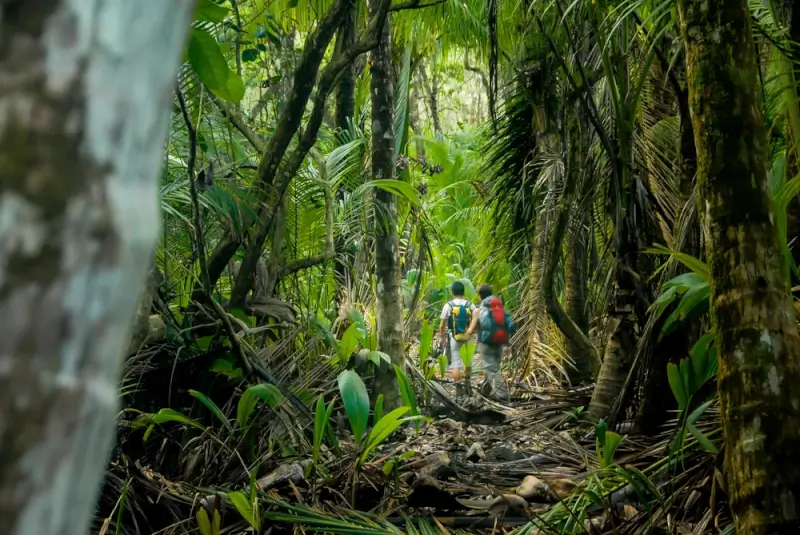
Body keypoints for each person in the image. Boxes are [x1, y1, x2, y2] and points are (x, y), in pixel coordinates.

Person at [466, 284, 516, 402]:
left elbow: (475, 326)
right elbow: (510, 324)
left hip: (486, 342)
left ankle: (503, 396)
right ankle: (484, 392)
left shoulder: (480, 309)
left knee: (492, 369)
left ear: (480, 296)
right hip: (500, 341)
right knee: (493, 367)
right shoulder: (500, 307)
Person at [438, 281, 476, 383]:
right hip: (468, 336)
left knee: (455, 364)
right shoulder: (470, 305)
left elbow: (442, 324)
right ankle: (467, 383)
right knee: (468, 362)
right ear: (464, 292)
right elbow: (475, 319)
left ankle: (459, 389)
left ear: (452, 292)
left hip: (454, 337)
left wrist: (442, 336)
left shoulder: (448, 305)